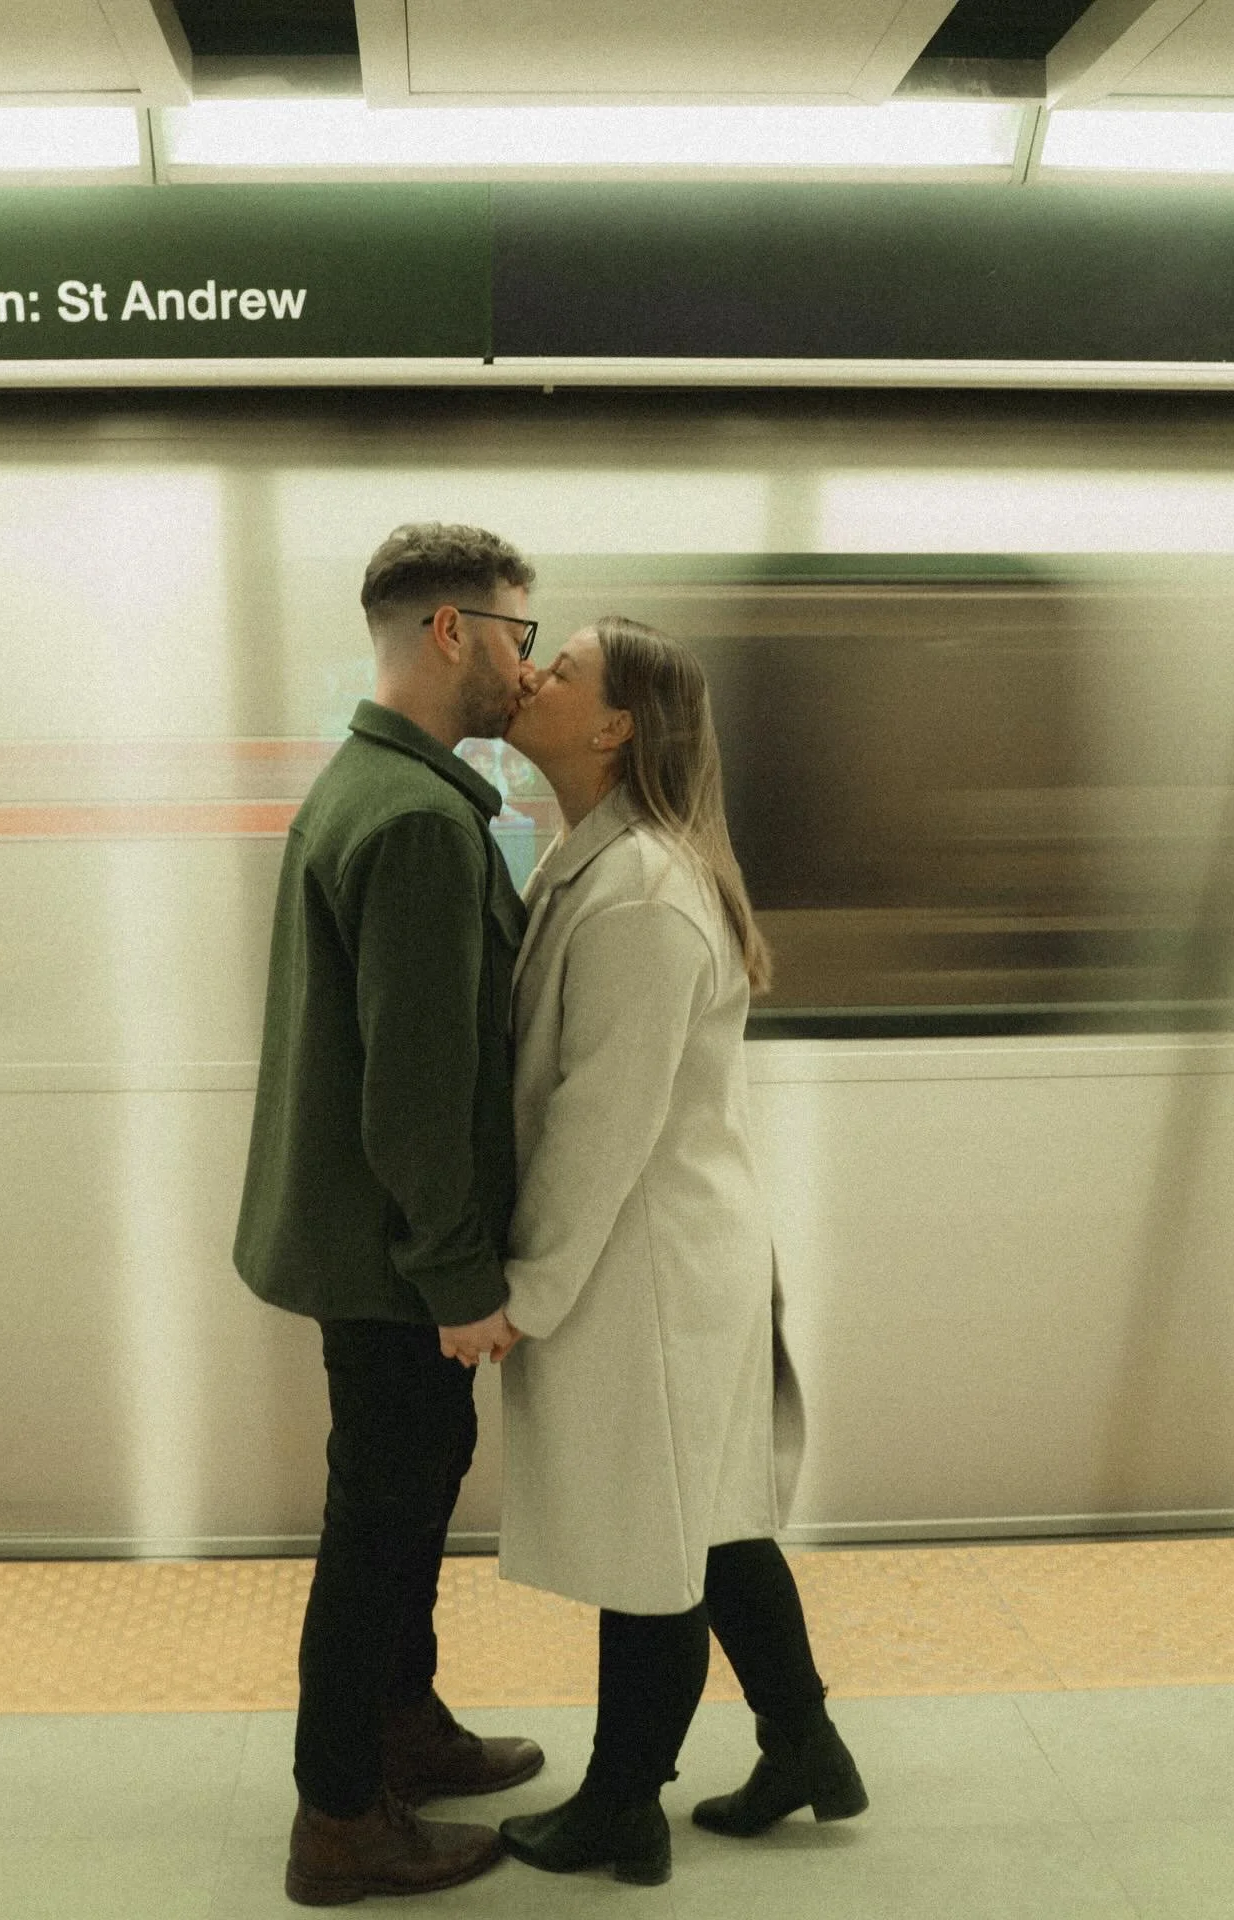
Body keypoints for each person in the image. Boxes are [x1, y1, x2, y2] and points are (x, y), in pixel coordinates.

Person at [444, 615, 867, 1885]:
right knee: (714, 1520)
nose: (532, 677)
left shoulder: (639, 891)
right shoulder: (602, 855)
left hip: (645, 1264)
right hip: (673, 1251)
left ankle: (624, 1805)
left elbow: (600, 1119)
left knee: (650, 1538)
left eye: (561, 670)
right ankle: (805, 1746)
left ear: (619, 726)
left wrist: (527, 1292)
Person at [233, 523, 548, 1906]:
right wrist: (458, 1276)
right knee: (381, 1524)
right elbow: (418, 1093)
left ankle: (400, 1727)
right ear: (451, 631)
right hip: (393, 1256)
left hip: (363, 1244)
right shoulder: (419, 821)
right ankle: (340, 1816)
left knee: (406, 1505)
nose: (525, 667)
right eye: (519, 637)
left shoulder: (372, 784)